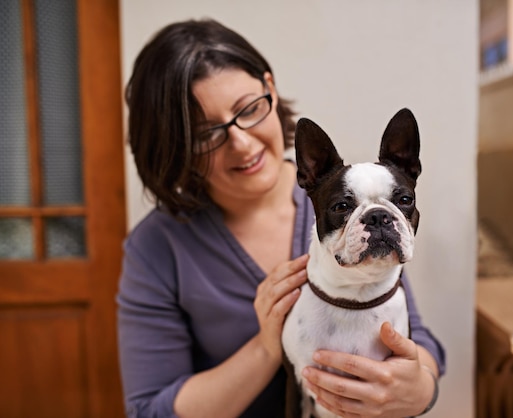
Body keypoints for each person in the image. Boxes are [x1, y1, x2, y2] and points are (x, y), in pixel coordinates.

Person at [117, 18, 445, 418]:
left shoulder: (353, 205)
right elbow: (149, 411)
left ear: (269, 90)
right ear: (172, 146)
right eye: (206, 134)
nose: (241, 143)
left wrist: (420, 387)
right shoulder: (157, 247)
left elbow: (413, 337)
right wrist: (269, 346)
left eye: (248, 109)